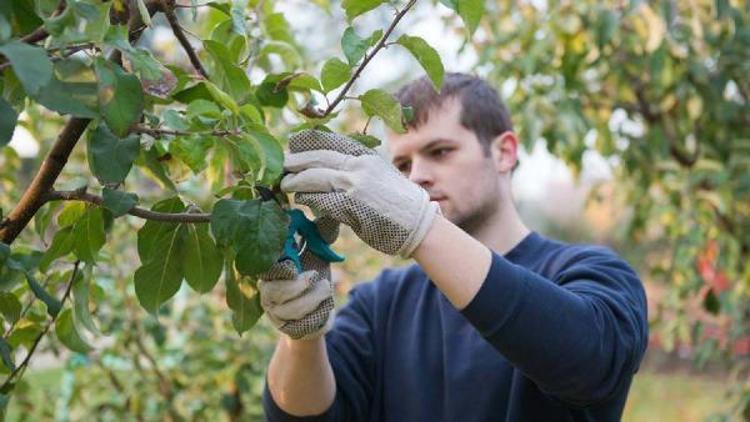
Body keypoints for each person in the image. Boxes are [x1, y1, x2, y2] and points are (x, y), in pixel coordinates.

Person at [258, 72, 648, 421]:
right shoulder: (382, 303)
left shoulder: (593, 273)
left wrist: (421, 227)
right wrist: (302, 336)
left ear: (504, 152)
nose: (419, 176)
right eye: (402, 166)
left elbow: (591, 363)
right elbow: (306, 415)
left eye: (440, 151)